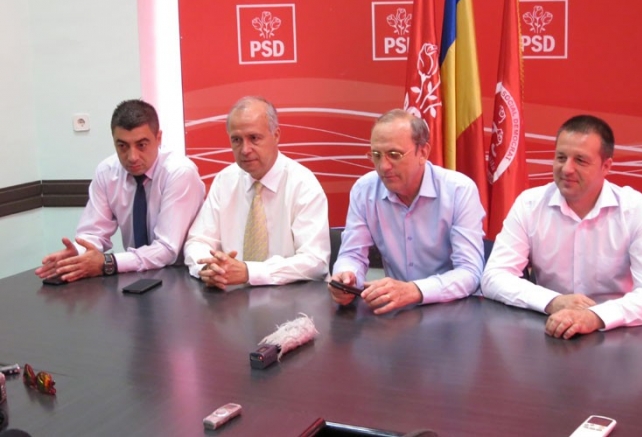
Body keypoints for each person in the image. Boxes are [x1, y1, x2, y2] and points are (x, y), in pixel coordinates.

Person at [481, 115, 642, 339]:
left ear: (606, 166)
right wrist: (554, 301)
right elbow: (494, 277)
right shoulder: (530, 204)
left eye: (580, 161)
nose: (567, 169)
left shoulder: (635, 209)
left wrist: (593, 316)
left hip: (615, 333)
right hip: (549, 328)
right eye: (561, 157)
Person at [328, 109, 485, 315]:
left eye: (394, 155)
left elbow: (470, 272)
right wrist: (347, 277)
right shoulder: (364, 190)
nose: (383, 166)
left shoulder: (459, 190)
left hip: (453, 311)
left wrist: (415, 290)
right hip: (397, 312)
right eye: (376, 155)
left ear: (423, 152)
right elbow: (352, 254)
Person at [35, 99, 205, 281]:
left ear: (158, 138)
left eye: (141, 145)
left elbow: (167, 249)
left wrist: (108, 263)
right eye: (122, 146)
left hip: (183, 276)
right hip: (135, 275)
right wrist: (78, 254)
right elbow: (94, 232)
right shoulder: (107, 171)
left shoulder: (179, 172)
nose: (132, 157)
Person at [184, 96, 330, 288]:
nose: (245, 149)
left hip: (290, 299)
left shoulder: (303, 184)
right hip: (231, 298)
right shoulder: (224, 180)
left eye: (254, 138)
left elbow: (315, 261)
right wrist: (208, 268)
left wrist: (249, 272)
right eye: (236, 140)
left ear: (276, 135)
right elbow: (198, 241)